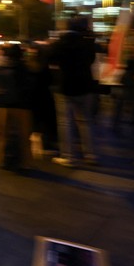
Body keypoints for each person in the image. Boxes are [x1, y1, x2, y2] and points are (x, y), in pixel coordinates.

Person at [49, 16, 99, 167]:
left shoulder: (59, 43)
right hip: (85, 86)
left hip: (65, 86)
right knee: (86, 122)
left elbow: (52, 61)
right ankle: (90, 155)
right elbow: (91, 61)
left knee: (65, 122)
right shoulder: (88, 44)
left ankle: (68, 156)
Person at [0, 44, 35, 170]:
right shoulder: (25, 68)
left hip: (4, 105)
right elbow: (30, 87)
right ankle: (26, 162)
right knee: (24, 136)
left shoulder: (1, 67)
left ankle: (0, 159)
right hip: (22, 106)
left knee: (1, 134)